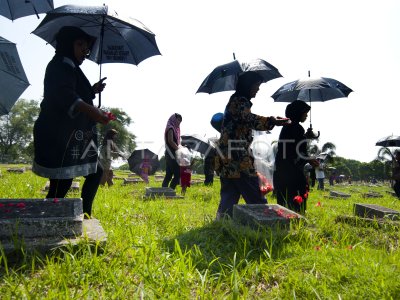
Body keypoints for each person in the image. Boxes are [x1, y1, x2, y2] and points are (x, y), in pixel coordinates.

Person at [32, 26, 111, 218]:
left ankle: (84, 215)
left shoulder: (70, 66)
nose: (85, 50)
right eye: (80, 44)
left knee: (93, 173)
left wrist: (92, 91)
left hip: (75, 134)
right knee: (62, 183)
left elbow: (75, 91)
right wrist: (94, 111)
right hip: (59, 134)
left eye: (86, 46)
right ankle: (48, 219)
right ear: (68, 44)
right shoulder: (60, 65)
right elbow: (65, 94)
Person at [215, 71, 289, 218]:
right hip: (237, 157)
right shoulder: (240, 101)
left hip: (226, 155)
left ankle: (222, 222)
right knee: (253, 191)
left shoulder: (235, 100)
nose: (258, 89)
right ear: (248, 85)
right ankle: (268, 222)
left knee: (230, 192)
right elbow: (249, 119)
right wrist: (272, 121)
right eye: (256, 85)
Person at [273, 100, 319, 214]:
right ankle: (298, 216)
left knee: (284, 194)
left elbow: (295, 144)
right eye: (305, 113)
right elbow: (298, 150)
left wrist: (305, 137)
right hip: (291, 167)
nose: (307, 115)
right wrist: (310, 159)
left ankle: (282, 217)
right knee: (300, 190)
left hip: (282, 166)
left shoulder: (288, 125)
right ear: (298, 113)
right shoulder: (297, 127)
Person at [162, 113, 182, 190]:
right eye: (178, 120)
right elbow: (170, 141)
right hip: (171, 154)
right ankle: (170, 190)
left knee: (169, 174)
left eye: (180, 121)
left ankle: (164, 191)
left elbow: (176, 142)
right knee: (178, 174)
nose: (179, 122)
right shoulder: (170, 128)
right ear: (174, 119)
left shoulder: (175, 129)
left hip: (171, 154)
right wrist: (178, 149)